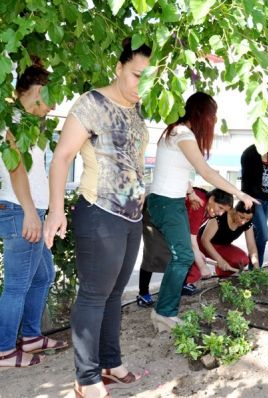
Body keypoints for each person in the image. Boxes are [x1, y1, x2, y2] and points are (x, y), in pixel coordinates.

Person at [43, 38, 152, 397]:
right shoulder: (92, 103)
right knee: (93, 295)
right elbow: (61, 158)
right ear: (119, 68)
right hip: (100, 212)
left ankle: (111, 363)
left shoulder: (137, 110)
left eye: (148, 78)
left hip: (132, 217)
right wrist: (56, 211)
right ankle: (86, 379)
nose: (141, 84)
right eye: (137, 75)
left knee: (114, 294)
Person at [146, 92, 256, 333]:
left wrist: (190, 191)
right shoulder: (182, 134)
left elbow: (173, 167)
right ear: (202, 114)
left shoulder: (175, 132)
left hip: (171, 200)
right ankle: (164, 312)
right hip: (165, 202)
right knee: (184, 256)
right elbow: (205, 172)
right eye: (212, 116)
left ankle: (164, 312)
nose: (213, 121)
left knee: (182, 256)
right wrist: (240, 194)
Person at [0, 62, 68, 368]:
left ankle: (30, 336)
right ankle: (3, 350)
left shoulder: (28, 123)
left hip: (31, 210)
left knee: (43, 276)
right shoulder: (12, 121)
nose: (53, 106)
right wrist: (30, 213)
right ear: (38, 91)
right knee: (17, 285)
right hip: (20, 210)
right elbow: (15, 169)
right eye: (51, 97)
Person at [136, 187, 233, 307]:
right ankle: (143, 293)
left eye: (224, 211)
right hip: (155, 214)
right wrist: (202, 267)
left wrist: (198, 254)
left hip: (172, 220)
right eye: (220, 208)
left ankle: (182, 285)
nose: (220, 213)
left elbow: (189, 234)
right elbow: (191, 240)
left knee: (185, 252)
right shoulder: (200, 204)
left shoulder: (209, 209)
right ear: (212, 199)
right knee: (154, 253)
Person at [240, 144, 268, 267]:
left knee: (258, 235)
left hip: (267, 199)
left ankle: (254, 267)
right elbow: (245, 179)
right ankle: (256, 269)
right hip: (254, 200)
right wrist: (246, 200)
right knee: (264, 234)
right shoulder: (249, 153)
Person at [200, 201, 260, 276]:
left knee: (242, 260)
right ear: (235, 210)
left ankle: (222, 277)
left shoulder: (247, 223)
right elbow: (205, 240)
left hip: (222, 247)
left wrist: (256, 267)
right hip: (201, 245)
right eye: (241, 217)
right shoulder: (221, 216)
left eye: (247, 219)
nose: (243, 222)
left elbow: (251, 246)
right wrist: (220, 260)